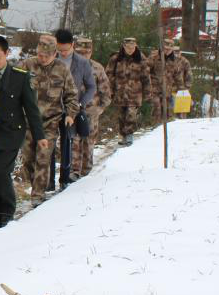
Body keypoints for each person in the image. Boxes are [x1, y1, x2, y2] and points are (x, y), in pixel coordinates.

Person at [0, 34, 45, 230]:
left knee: (0, 173)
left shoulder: (20, 76)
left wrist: (39, 136)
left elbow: (31, 109)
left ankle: (7, 213)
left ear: (7, 53)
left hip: (11, 133)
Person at [19, 38, 76, 203]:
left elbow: (71, 95)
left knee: (43, 158)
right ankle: (36, 185)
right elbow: (14, 91)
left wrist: (70, 114)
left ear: (54, 54)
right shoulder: (26, 66)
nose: (42, 58)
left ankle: (38, 194)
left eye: (46, 55)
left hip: (50, 121)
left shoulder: (62, 69)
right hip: (28, 121)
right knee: (28, 160)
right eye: (40, 54)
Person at [53, 28, 95, 188]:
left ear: (72, 45)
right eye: (59, 49)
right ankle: (47, 181)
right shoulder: (50, 58)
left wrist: (81, 104)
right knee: (48, 144)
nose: (63, 53)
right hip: (51, 107)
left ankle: (64, 178)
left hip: (71, 109)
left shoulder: (82, 63)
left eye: (66, 50)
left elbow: (91, 87)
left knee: (67, 143)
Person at [72, 36, 111, 177]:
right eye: (80, 52)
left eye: (86, 52)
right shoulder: (67, 65)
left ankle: (85, 172)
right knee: (73, 141)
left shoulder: (97, 68)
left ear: (91, 52)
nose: (83, 55)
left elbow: (106, 92)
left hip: (91, 112)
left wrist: (100, 109)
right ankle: (73, 171)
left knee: (88, 142)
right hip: (72, 111)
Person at [107, 37, 151, 146]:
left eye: (132, 47)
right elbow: (108, 75)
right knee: (122, 116)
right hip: (120, 92)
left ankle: (129, 135)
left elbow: (146, 77)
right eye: (128, 47)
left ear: (136, 46)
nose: (130, 49)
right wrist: (109, 90)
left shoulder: (141, 58)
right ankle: (123, 136)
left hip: (135, 93)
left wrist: (148, 93)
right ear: (123, 46)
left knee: (131, 114)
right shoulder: (116, 58)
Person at [148, 38, 191, 120]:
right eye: (165, 49)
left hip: (167, 91)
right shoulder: (154, 57)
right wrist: (147, 86)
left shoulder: (174, 60)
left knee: (166, 113)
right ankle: (156, 129)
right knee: (157, 110)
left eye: (169, 49)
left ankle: (164, 129)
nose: (167, 51)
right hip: (154, 90)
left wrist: (182, 90)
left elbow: (178, 76)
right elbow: (146, 71)